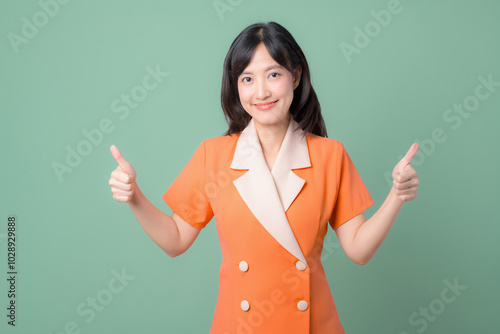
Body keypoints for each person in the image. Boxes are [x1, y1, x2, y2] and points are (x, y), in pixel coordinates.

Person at [108, 21, 419, 334]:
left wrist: (396, 195)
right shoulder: (214, 156)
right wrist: (134, 196)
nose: (261, 92)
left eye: (273, 74)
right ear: (236, 86)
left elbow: (358, 250)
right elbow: (175, 240)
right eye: (247, 78)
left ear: (295, 76)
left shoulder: (330, 156)